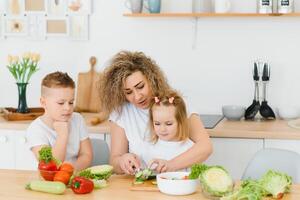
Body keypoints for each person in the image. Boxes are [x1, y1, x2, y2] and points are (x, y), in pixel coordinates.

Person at [99, 51, 212, 174]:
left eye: (140, 86)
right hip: (139, 186)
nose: (137, 97)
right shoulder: (121, 112)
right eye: (128, 92)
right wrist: (122, 161)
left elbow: (205, 147)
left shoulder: (175, 103)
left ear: (151, 79)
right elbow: (114, 161)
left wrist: (170, 165)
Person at [26, 71, 93, 171]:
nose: (67, 108)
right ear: (43, 103)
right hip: (48, 183)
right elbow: (51, 167)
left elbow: (86, 155)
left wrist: (69, 172)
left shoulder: (77, 119)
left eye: (71, 102)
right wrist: (62, 135)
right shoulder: (35, 130)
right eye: (61, 103)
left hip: (73, 176)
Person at [140, 90, 194, 172]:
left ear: (180, 122)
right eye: (157, 124)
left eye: (168, 124)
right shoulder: (149, 148)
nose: (162, 129)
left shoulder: (190, 148)